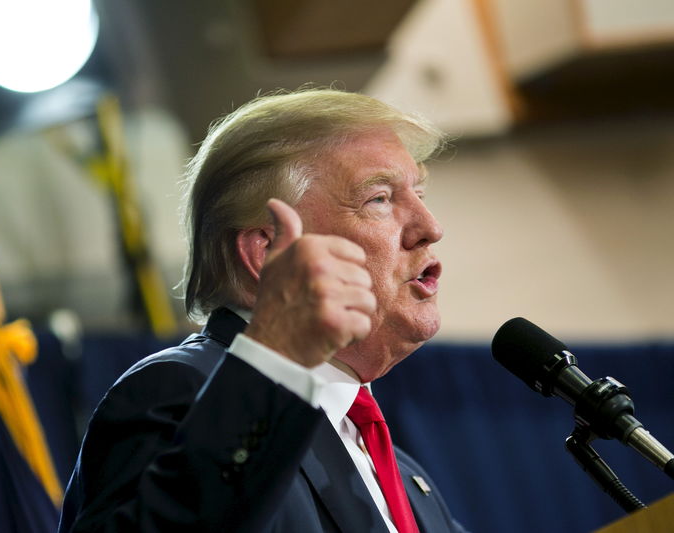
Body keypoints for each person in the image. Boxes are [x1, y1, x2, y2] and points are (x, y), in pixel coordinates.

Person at [59, 88, 468, 532]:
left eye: (420, 193)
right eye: (380, 199)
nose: (430, 227)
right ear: (270, 252)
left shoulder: (407, 479)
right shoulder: (183, 391)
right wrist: (278, 356)